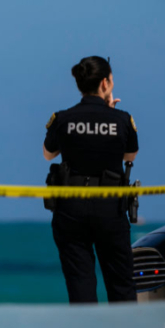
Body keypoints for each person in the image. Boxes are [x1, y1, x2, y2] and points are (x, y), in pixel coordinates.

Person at [43, 56, 139, 304]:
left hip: (71, 207)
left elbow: (47, 154)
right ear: (105, 83)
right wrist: (109, 113)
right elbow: (130, 155)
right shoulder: (121, 120)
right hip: (110, 207)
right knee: (121, 284)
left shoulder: (63, 118)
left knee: (80, 285)